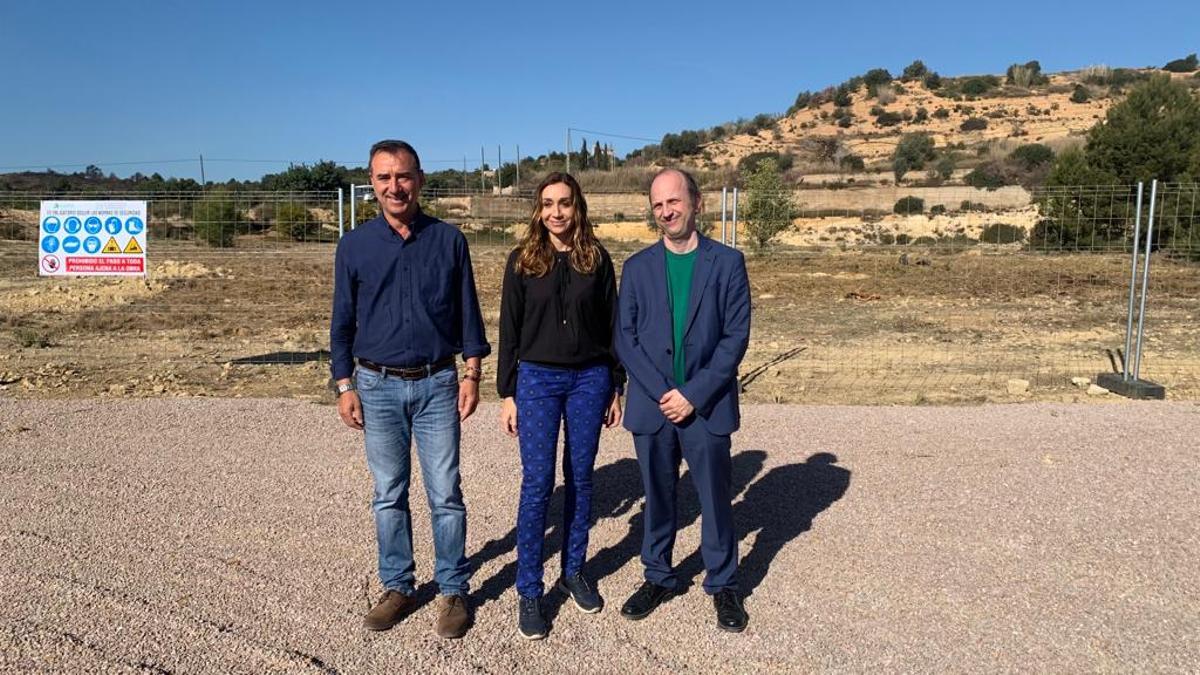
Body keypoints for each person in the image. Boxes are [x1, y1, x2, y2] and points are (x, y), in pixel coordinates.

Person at [330, 139, 490, 640]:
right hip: (375, 385)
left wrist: (472, 374)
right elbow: (341, 323)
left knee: (445, 493)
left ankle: (453, 589)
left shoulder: (448, 241)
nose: (394, 187)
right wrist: (343, 383)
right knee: (388, 494)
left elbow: (468, 313)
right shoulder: (354, 246)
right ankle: (398, 586)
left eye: (403, 176)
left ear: (420, 180)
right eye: (384, 178)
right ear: (371, 185)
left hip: (438, 383)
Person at [614, 168, 752, 633]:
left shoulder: (728, 263)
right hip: (653, 407)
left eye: (673, 202)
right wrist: (662, 392)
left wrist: (692, 395)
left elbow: (735, 339)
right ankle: (659, 574)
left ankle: (725, 582)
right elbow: (625, 339)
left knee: (715, 497)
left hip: (706, 404)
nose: (666, 212)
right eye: (657, 205)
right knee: (658, 495)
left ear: (696, 203)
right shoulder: (635, 268)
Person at [497, 171, 625, 640]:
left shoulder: (598, 260)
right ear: (538, 209)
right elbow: (509, 331)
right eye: (548, 204)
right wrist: (507, 393)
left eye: (565, 203)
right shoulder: (523, 262)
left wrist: (616, 384)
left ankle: (573, 570)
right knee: (537, 483)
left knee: (581, 478)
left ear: (578, 207)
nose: (556, 212)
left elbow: (613, 327)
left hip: (590, 379)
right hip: (536, 380)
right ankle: (529, 589)